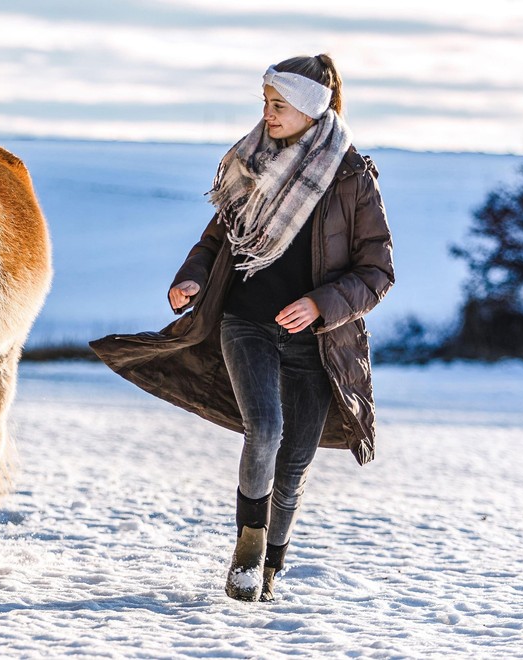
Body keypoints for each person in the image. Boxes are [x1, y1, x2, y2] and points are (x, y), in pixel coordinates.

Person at [90, 54, 394, 603]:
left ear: (309, 108)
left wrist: (321, 305)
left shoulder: (352, 177)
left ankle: (270, 566)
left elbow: (376, 273)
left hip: (317, 342)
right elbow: (216, 240)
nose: (268, 113)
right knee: (266, 430)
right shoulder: (250, 163)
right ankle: (248, 549)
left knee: (296, 461)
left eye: (278, 104)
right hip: (244, 321)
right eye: (265, 102)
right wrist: (192, 279)